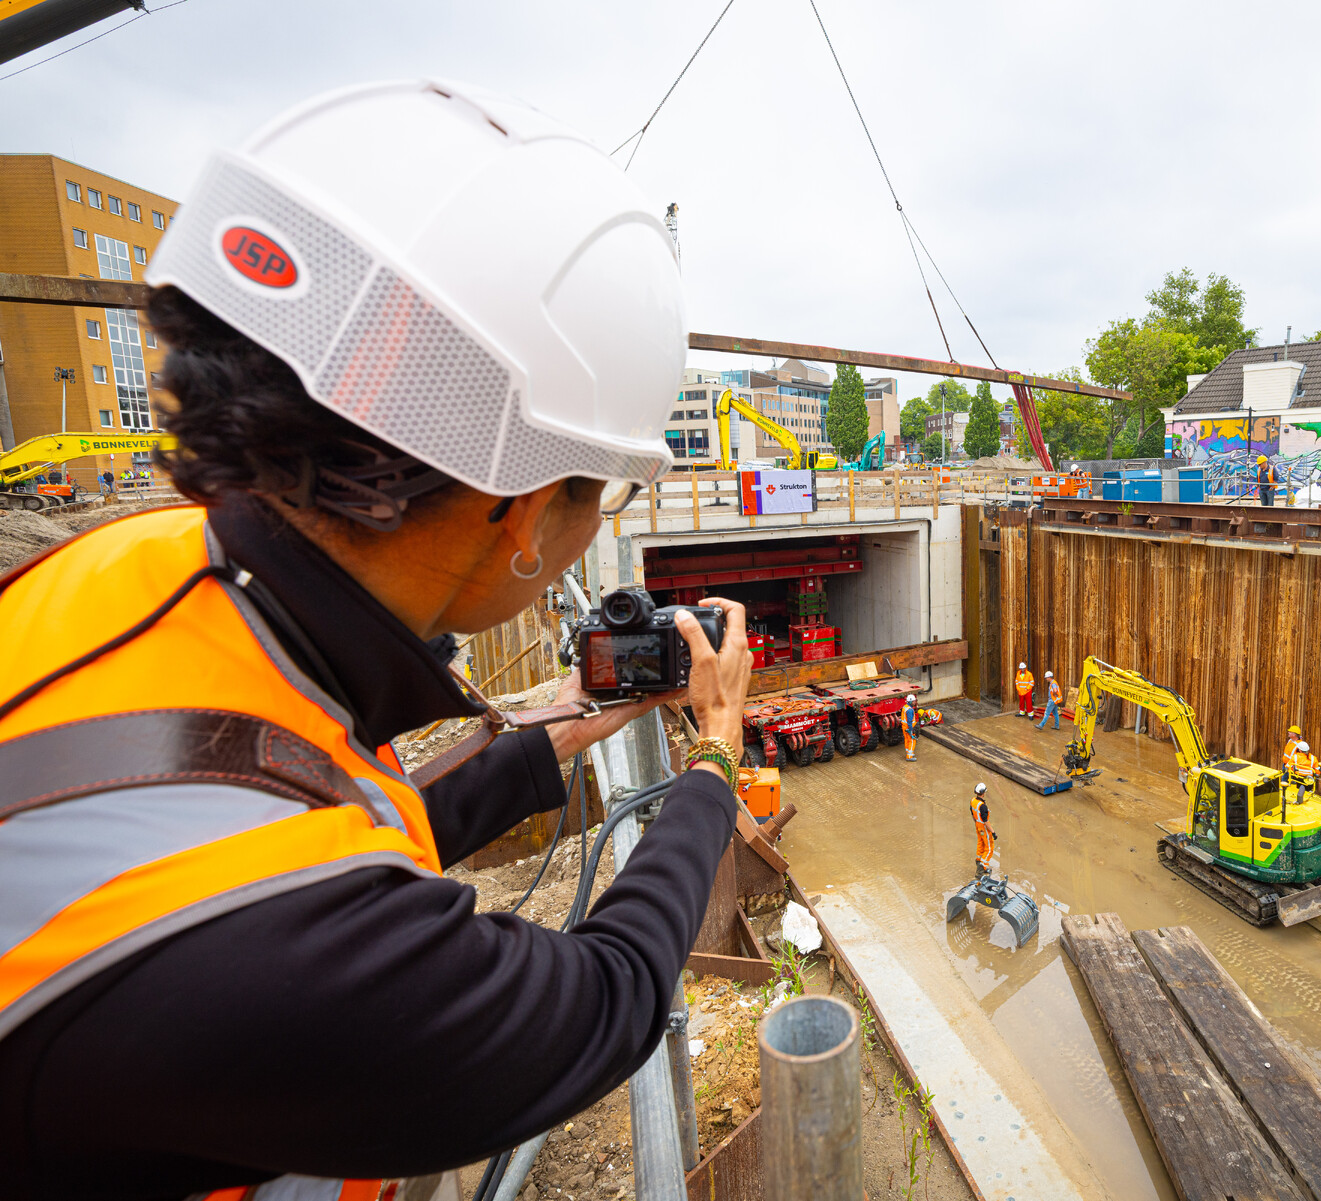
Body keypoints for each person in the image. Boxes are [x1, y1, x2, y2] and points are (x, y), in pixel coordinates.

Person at [0, 81, 749, 1200]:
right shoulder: (298, 967)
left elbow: (317, 830)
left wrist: (569, 726)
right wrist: (718, 760)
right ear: (529, 514)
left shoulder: (123, 569)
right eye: (603, 493)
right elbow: (606, 998)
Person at [970, 781, 997, 873]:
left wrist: (977, 824)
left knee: (981, 843)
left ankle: (979, 861)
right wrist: (993, 832)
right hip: (984, 828)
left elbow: (973, 815)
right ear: (983, 793)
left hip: (978, 826)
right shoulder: (982, 806)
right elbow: (986, 821)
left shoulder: (973, 801)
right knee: (989, 848)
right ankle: (981, 869)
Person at [902, 692, 918, 761]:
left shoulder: (905, 707)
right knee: (912, 741)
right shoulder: (910, 710)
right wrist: (911, 731)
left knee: (907, 740)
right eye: (914, 701)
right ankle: (909, 756)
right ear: (911, 701)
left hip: (904, 727)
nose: (915, 702)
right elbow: (909, 721)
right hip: (908, 728)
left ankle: (908, 752)